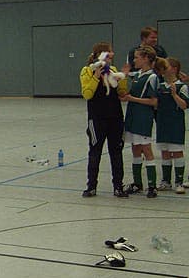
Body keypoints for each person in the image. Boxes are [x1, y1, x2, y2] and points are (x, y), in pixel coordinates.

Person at [79, 43, 128, 198]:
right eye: (110, 52)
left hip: (115, 117)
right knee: (95, 152)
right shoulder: (87, 71)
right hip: (97, 118)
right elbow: (87, 94)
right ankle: (91, 186)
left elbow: (121, 92)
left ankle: (118, 186)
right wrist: (95, 77)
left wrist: (123, 77)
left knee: (116, 152)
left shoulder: (112, 71)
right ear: (102, 54)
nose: (113, 54)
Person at [121, 45, 159, 197]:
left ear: (146, 59)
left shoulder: (152, 77)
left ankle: (152, 186)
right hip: (132, 116)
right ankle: (138, 183)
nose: (134, 60)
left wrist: (132, 99)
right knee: (135, 149)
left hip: (143, 117)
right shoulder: (137, 75)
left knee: (146, 149)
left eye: (137, 57)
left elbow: (154, 102)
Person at [153, 57, 189, 193]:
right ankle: (165, 181)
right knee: (165, 153)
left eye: (166, 66)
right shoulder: (161, 86)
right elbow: (155, 104)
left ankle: (179, 182)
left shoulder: (182, 86)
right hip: (162, 123)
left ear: (174, 69)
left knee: (177, 152)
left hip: (175, 124)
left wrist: (174, 94)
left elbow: (184, 105)